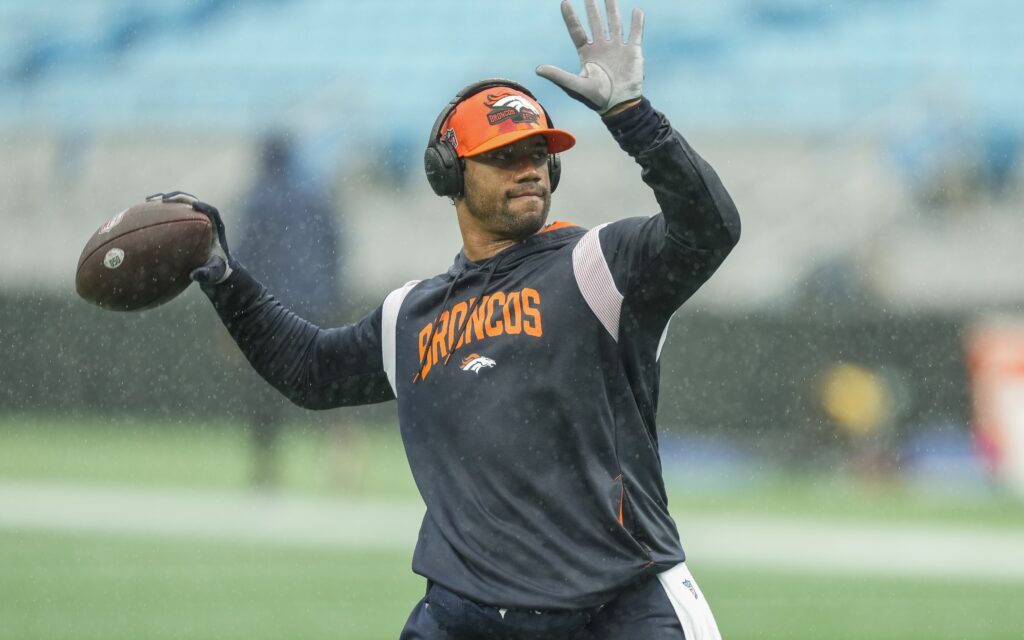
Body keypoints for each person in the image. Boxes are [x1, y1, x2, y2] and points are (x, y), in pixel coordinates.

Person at [158, 1, 739, 637]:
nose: (530, 168)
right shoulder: (411, 313)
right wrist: (222, 276)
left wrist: (634, 118)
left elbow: (709, 230)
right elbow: (311, 371)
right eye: (504, 155)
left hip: (619, 604)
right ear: (448, 173)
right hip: (467, 610)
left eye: (540, 152)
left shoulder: (598, 263)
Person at [233, 133, 345, 488]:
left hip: (272, 308)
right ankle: (340, 466)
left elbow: (244, 258)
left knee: (265, 391)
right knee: (331, 383)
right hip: (317, 302)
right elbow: (336, 246)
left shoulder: (257, 199)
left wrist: (234, 317)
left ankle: (266, 472)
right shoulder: (314, 194)